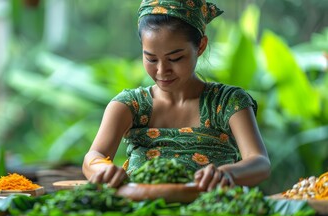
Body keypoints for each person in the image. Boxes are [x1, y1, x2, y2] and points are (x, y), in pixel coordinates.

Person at [82, 0, 271, 192]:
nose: (162, 71)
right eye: (151, 59)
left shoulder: (228, 102)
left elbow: (259, 162)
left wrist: (227, 173)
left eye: (175, 58)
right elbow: (94, 155)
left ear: (201, 46)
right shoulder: (130, 106)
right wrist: (104, 169)